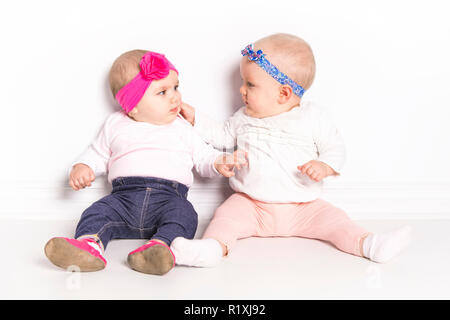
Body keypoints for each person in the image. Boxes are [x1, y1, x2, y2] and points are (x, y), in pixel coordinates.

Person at [170, 33, 412, 267]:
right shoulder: (244, 118)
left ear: (284, 93)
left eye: (250, 84)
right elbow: (221, 134)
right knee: (226, 218)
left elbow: (335, 147)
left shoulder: (312, 117)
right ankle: (212, 248)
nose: (241, 90)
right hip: (251, 205)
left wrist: (324, 165)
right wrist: (196, 119)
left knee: (336, 221)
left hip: (304, 208)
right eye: (243, 82)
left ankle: (369, 244)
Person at [44, 49, 245, 275]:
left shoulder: (182, 127)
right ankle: (89, 244)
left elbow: (203, 156)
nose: (175, 97)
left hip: (169, 199)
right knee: (97, 211)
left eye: (176, 87)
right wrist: (84, 166)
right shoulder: (115, 124)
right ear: (133, 105)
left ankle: (159, 248)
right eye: (162, 92)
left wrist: (219, 162)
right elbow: (98, 153)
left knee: (185, 214)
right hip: (123, 199)